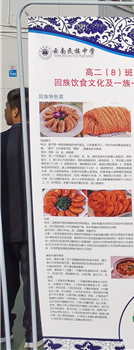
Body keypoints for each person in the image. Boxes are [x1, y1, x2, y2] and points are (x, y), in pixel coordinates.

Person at [1, 88, 42, 348]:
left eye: (6, 108)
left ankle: (3, 331)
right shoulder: (42, 144)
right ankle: (34, 335)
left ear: (15, 111)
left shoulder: (1, 142)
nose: (5, 112)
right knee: (33, 284)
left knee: (3, 283)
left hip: (3, 224)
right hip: (34, 227)